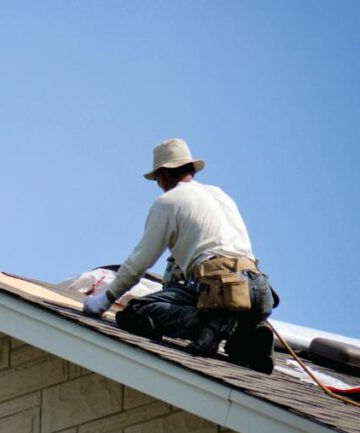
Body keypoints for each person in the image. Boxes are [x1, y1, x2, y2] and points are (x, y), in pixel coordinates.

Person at [82, 138, 276, 373]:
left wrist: (105, 300)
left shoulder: (168, 202)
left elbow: (140, 262)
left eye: (157, 180)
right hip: (257, 291)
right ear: (190, 169)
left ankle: (206, 324)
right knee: (231, 333)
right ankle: (245, 337)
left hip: (217, 288)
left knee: (136, 312)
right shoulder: (219, 195)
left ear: (163, 175)